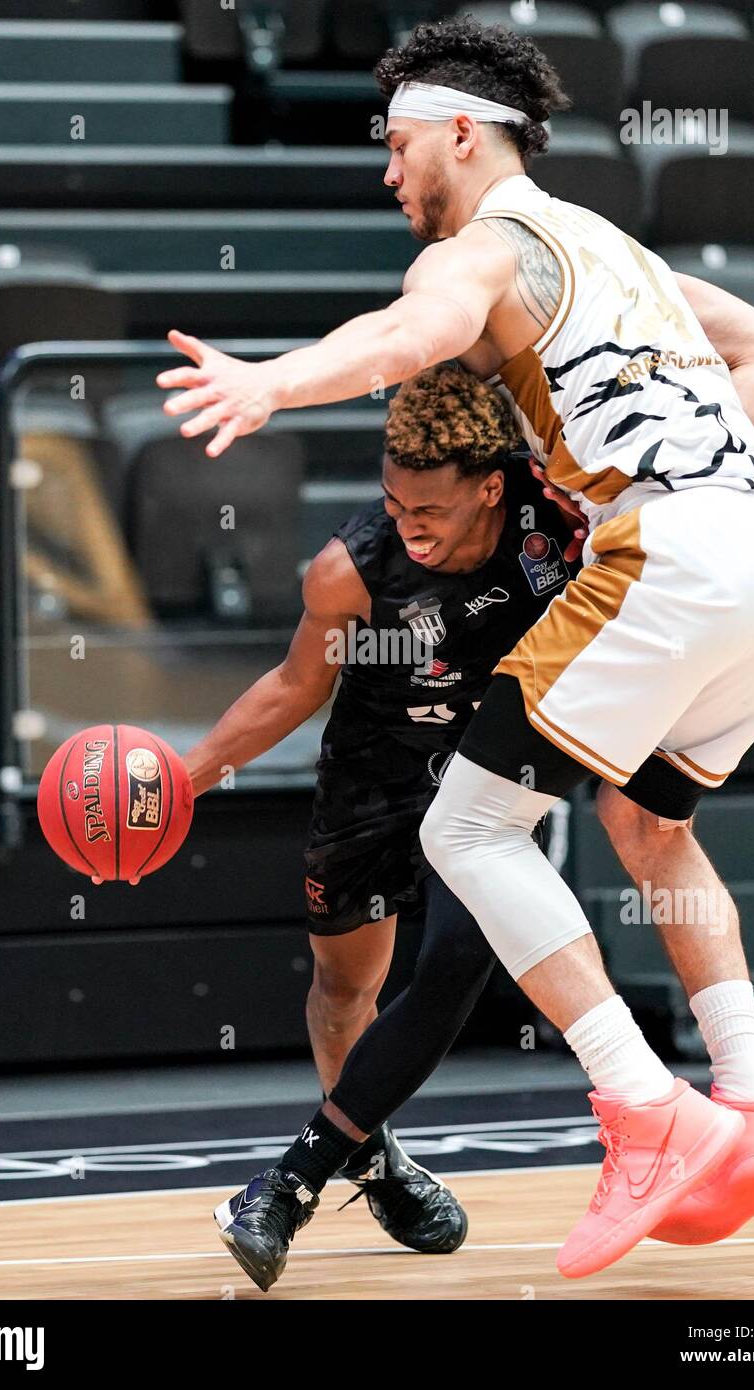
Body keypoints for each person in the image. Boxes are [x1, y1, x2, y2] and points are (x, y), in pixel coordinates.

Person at [158, 17, 754, 1281]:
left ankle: (645, 1112)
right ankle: (749, 1107)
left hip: (677, 553)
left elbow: (408, 341)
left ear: (462, 131)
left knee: (464, 830)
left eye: (400, 143)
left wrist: (272, 383)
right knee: (651, 830)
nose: (389, 169)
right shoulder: (620, 248)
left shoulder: (486, 250)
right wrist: (683, 461)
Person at [183, 363, 576, 1287]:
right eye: (394, 502)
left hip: (488, 784)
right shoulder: (351, 568)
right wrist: (189, 778)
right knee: (344, 989)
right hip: (372, 777)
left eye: (428, 510)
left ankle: (294, 1180)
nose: (409, 524)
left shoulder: (556, 523)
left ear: (492, 486)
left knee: (447, 967)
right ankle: (372, 1155)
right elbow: (292, 685)